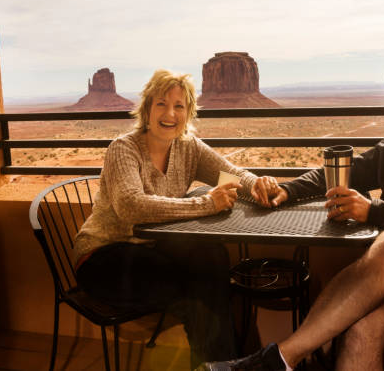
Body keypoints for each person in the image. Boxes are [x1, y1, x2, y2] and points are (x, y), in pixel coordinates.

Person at [200, 53, 384, 371]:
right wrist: (287, 189)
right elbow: (340, 173)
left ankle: (280, 360)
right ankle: (282, 360)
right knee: (363, 328)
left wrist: (375, 211)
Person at [73, 68, 280, 369]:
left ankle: (227, 365)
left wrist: (256, 182)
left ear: (188, 113)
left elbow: (229, 173)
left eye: (179, 106)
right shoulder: (124, 149)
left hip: (149, 250)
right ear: (146, 109)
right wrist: (207, 204)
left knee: (212, 258)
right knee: (198, 288)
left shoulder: (188, 148)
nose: (170, 113)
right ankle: (230, 363)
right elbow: (131, 207)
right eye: (161, 103)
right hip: (103, 257)